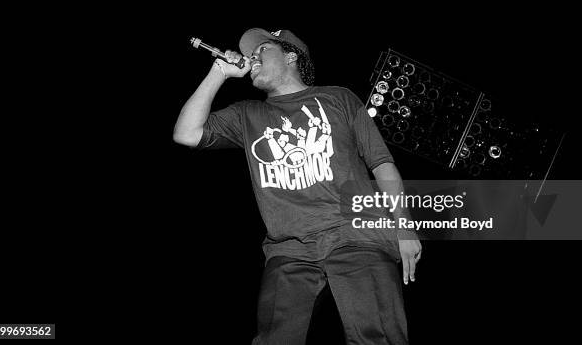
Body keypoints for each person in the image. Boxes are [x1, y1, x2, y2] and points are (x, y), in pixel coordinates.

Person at [174, 28, 422, 344]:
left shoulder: (339, 98)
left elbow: (382, 164)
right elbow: (185, 133)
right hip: (288, 248)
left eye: (261, 49)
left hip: (358, 235)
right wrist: (218, 73)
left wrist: (404, 227)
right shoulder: (248, 114)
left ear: (290, 56)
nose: (252, 58)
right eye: (251, 54)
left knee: (378, 337)